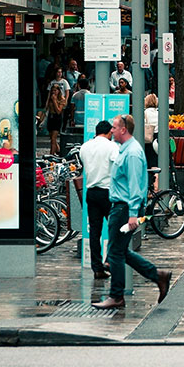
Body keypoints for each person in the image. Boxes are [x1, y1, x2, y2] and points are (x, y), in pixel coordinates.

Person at [92, 114, 172, 309]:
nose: (111, 130)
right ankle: (158, 276)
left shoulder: (133, 153)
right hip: (121, 207)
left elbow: (136, 185)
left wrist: (133, 214)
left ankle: (117, 296)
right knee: (119, 251)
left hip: (124, 208)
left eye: (114, 127)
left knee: (115, 253)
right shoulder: (125, 149)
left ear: (123, 129)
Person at [79, 120, 119, 279]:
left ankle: (97, 268)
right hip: (108, 192)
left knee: (94, 232)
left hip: (92, 192)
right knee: (115, 228)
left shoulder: (85, 147)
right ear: (109, 132)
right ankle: (108, 260)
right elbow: (118, 165)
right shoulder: (111, 147)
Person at [44, 78, 66, 155]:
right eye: (53, 90)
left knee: (53, 138)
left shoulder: (62, 99)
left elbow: (59, 111)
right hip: (51, 117)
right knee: (52, 138)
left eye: (55, 90)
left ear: (59, 91)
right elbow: (46, 107)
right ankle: (58, 149)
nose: (54, 92)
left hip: (57, 118)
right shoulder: (50, 98)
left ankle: (51, 154)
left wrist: (54, 101)